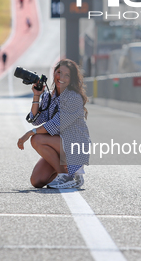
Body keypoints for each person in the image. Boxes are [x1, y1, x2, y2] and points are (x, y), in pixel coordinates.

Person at [17, 59, 91, 189]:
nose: (61, 77)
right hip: (59, 144)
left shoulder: (73, 97)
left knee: (37, 139)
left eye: (67, 75)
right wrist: (36, 96)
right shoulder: (50, 96)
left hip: (75, 144)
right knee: (37, 181)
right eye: (59, 72)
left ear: (72, 79)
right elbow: (36, 120)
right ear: (54, 73)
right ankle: (64, 173)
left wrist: (29, 133)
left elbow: (56, 124)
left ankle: (69, 176)